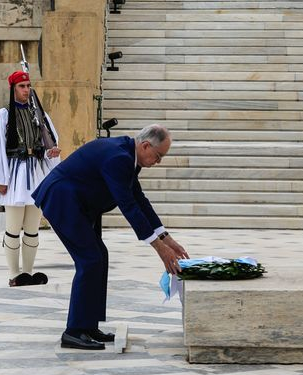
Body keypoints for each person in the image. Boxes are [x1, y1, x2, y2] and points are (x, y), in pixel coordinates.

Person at [32, 124, 189, 350]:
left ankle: (88, 326)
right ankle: (74, 331)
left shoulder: (128, 155)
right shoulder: (119, 157)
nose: (159, 161)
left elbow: (139, 199)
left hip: (79, 205)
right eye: (158, 156)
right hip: (63, 201)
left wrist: (166, 238)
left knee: (99, 256)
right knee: (90, 260)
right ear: (146, 146)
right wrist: (158, 247)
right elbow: (128, 205)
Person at [0, 70, 61, 287]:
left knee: (32, 227)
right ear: (13, 89)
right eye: (22, 86)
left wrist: (51, 153)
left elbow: (48, 144)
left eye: (28, 86)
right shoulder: (3, 115)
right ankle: (13, 273)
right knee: (13, 227)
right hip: (15, 175)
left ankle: (27, 272)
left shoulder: (39, 115)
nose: (26, 90)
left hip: (36, 174)